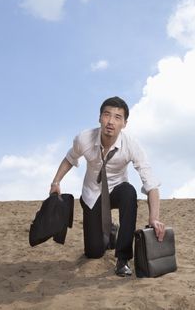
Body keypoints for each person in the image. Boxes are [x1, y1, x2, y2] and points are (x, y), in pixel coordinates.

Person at [49, 96, 165, 277]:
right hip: (92, 194)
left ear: (124, 123)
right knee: (94, 252)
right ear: (99, 118)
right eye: (107, 115)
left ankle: (123, 258)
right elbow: (70, 159)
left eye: (118, 117)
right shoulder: (84, 138)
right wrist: (56, 182)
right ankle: (111, 232)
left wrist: (154, 218)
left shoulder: (131, 145)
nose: (111, 121)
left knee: (129, 192)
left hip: (117, 191)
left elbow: (150, 183)